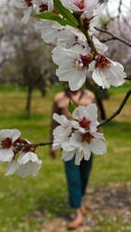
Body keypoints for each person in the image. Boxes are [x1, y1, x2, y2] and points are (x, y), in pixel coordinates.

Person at [50, 87, 96, 230]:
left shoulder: (90, 96)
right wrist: (52, 143)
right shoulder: (59, 98)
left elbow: (97, 119)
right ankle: (78, 213)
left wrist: (100, 136)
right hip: (68, 143)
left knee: (85, 173)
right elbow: (53, 123)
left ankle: (79, 201)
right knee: (73, 177)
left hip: (86, 142)